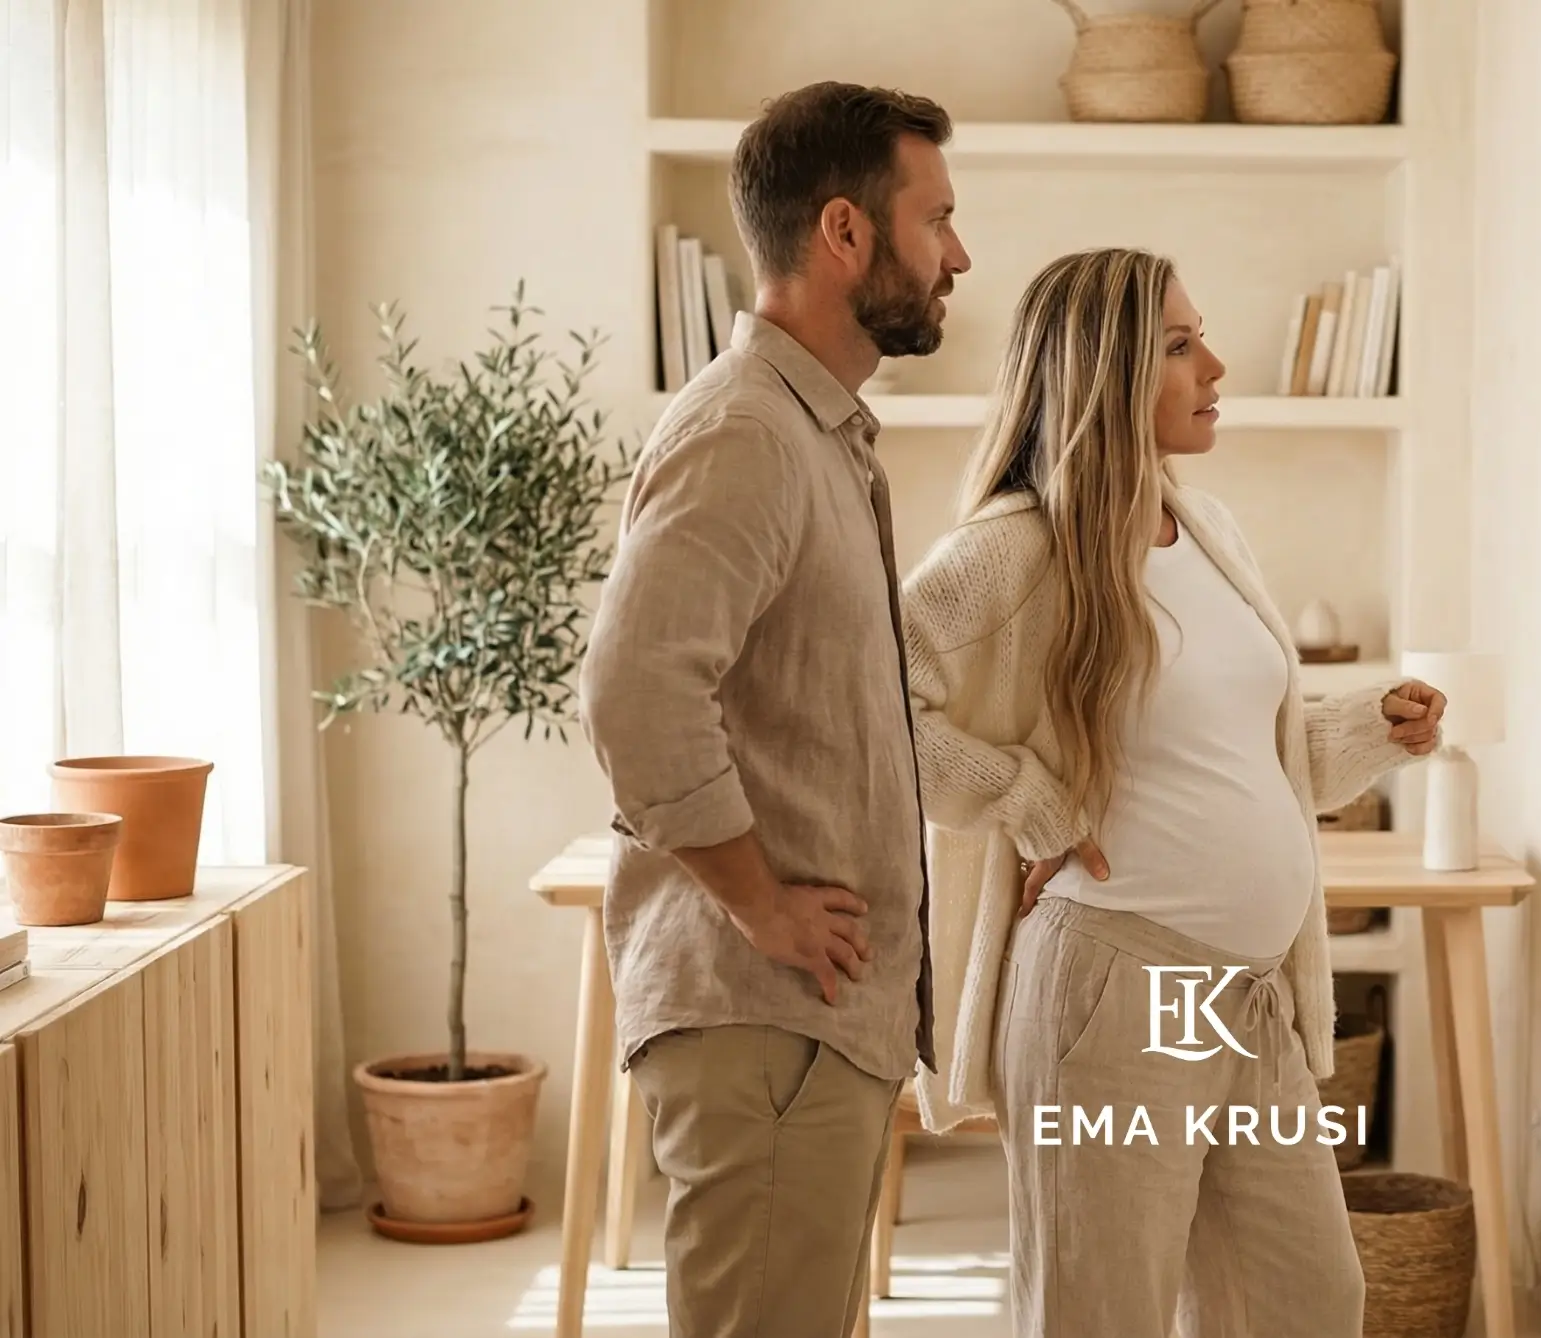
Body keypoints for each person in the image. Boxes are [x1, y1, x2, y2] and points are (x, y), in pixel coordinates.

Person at [899, 247, 1448, 1337]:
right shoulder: (1020, 547)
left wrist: (1367, 731)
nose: (1217, 366)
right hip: (1115, 989)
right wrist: (1027, 799)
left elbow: (1245, 753)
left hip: (1245, 1001)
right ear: (1106, 369)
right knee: (1104, 1312)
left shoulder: (1207, 529)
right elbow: (871, 703)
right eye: (1182, 344)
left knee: (1306, 1298)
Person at [578, 81, 970, 1338]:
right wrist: (760, 904)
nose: (959, 255)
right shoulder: (748, 431)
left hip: (806, 1028)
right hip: (763, 1021)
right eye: (938, 221)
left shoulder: (818, 435)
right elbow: (636, 694)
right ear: (846, 233)